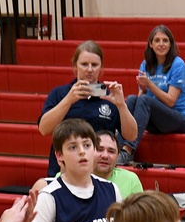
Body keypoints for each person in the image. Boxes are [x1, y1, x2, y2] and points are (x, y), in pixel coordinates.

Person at [38, 40, 138, 176]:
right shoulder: (60, 93)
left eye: (94, 65)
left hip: (100, 172)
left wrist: (121, 105)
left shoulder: (109, 98)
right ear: (75, 67)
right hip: (63, 170)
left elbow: (131, 135)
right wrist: (69, 99)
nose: (89, 69)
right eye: (84, 64)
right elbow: (44, 129)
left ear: (101, 69)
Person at [119, 25, 185, 165]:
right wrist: (142, 88)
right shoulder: (145, 64)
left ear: (171, 44)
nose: (161, 44)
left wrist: (150, 85)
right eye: (157, 40)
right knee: (131, 100)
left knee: (145, 100)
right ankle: (119, 149)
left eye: (165, 40)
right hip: (157, 119)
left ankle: (128, 150)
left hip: (180, 118)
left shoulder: (178, 64)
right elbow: (140, 99)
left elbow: (171, 101)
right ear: (151, 44)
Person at [93, 129, 143, 197]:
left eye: (111, 151)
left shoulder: (130, 179)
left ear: (117, 157)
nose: (105, 156)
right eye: (99, 149)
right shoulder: (76, 178)